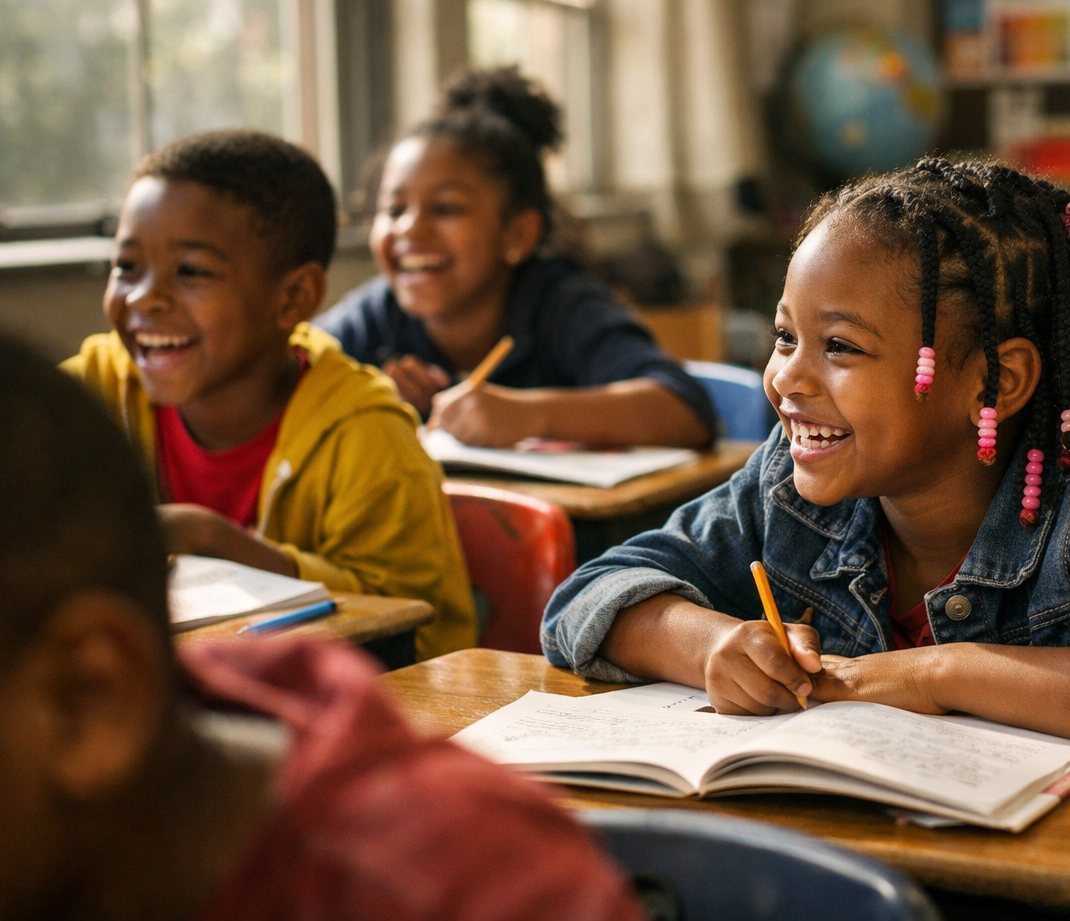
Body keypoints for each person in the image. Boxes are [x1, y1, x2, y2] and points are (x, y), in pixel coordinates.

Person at [541, 157, 1070, 767]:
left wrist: (937, 674)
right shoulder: (791, 488)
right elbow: (588, 595)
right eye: (783, 337)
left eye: (839, 347)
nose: (789, 380)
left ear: (995, 381)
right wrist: (712, 646)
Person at [0, 334, 641, 921]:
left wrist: (531, 414)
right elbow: (584, 598)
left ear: (88, 698)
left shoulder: (466, 886)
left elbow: (449, 598)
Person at [64, 130, 476, 661]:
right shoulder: (93, 392)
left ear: (293, 298)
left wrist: (210, 538)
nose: (146, 298)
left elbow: (414, 632)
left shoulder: (367, 435)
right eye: (127, 267)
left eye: (191, 272)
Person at [316, 66, 716, 449]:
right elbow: (285, 375)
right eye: (394, 210)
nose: (409, 230)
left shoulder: (561, 306)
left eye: (445, 209)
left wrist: (527, 415)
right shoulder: (376, 314)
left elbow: (685, 410)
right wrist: (368, 396)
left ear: (518, 234)